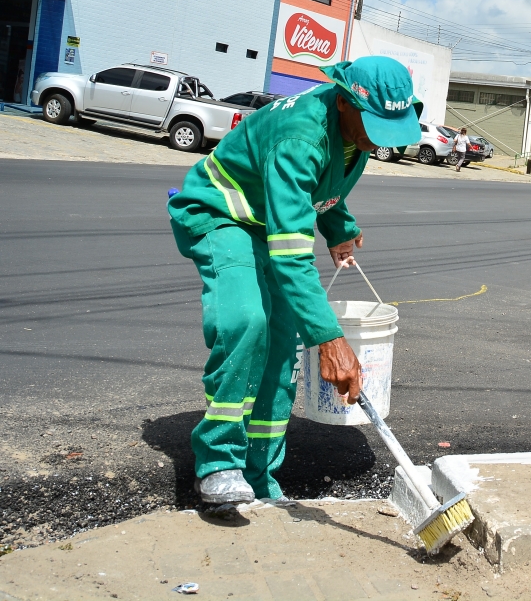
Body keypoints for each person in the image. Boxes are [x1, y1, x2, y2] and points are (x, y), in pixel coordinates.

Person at [167, 56, 423, 505]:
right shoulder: (299, 137)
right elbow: (291, 254)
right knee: (248, 322)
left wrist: (339, 229)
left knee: (281, 347)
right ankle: (218, 462)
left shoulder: (354, 132)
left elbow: (323, 187)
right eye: (375, 126)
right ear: (345, 103)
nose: (378, 142)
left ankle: (261, 475)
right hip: (222, 213)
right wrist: (329, 338)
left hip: (271, 218)